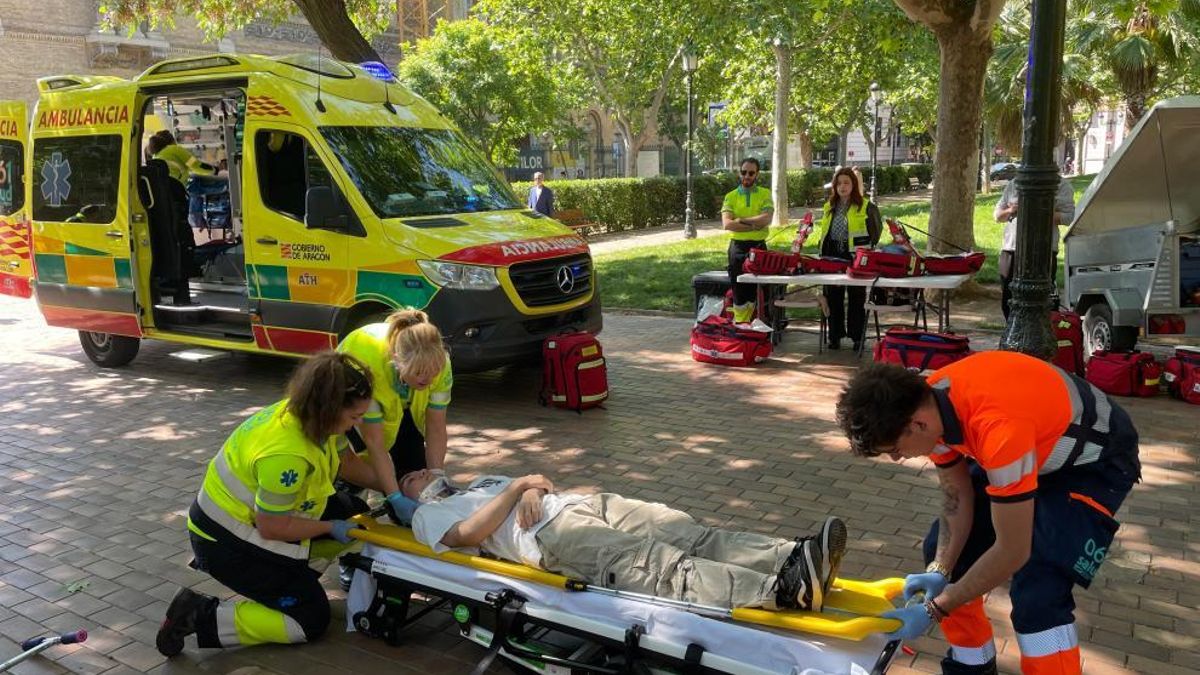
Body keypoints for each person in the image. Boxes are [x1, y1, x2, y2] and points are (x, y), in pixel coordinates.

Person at [835, 353, 1140, 675]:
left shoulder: (998, 430)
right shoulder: (928, 405)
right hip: (1033, 441)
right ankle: (972, 667)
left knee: (1039, 587)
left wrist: (935, 609)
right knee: (945, 551)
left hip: (1094, 463)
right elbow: (957, 495)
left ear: (917, 425)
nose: (897, 459)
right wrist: (941, 569)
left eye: (895, 450)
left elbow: (1012, 551)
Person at [155, 352, 384, 656]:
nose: (357, 424)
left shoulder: (311, 416)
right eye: (354, 417)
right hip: (225, 543)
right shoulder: (286, 455)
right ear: (330, 409)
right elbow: (273, 526)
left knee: (352, 511)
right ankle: (198, 614)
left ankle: (291, 579)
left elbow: (349, 464)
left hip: (246, 525)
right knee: (311, 618)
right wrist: (331, 526)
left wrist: (396, 489)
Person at [400, 469, 848, 613]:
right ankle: (780, 593)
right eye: (410, 476)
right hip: (553, 537)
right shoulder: (428, 514)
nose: (421, 472)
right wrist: (519, 488)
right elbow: (466, 535)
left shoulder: (479, 482)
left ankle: (792, 556)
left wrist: (534, 486)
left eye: (421, 467)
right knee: (661, 566)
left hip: (585, 504)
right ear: (410, 493)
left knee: (687, 532)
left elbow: (540, 482)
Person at [336, 309, 453, 524]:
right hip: (352, 396)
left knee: (414, 477)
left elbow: (436, 426)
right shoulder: (369, 370)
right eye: (420, 373)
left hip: (402, 401)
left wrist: (436, 476)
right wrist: (394, 495)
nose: (428, 379)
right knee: (380, 477)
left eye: (433, 373)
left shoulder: (439, 363)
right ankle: (347, 485)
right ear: (397, 361)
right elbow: (374, 443)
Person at [810, 167, 881, 351]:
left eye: (846, 183)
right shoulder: (829, 207)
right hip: (832, 256)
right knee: (833, 297)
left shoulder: (866, 206)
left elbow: (876, 230)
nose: (842, 187)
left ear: (853, 185)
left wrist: (865, 249)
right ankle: (835, 336)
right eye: (839, 183)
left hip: (856, 257)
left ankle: (857, 337)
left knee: (857, 298)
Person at [993, 174, 1075, 320]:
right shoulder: (1015, 183)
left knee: (1041, 296)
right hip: (1011, 248)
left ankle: (1040, 333)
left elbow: (1068, 217)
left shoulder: (1062, 186)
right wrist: (1011, 211)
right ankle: (1011, 331)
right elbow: (997, 215)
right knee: (1008, 295)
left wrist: (1036, 209)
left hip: (1043, 250)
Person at [722, 158, 775, 324]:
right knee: (739, 291)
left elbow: (766, 219)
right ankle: (741, 327)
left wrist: (740, 220)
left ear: (757, 174)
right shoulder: (730, 197)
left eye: (751, 173)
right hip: (737, 248)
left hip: (758, 248)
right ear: (740, 172)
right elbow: (727, 224)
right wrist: (753, 225)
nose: (747, 176)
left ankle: (762, 328)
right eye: (744, 172)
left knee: (761, 290)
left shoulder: (765, 194)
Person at [146, 130, 216, 187]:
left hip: (172, 190)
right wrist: (215, 170)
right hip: (184, 184)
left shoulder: (155, 157)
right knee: (219, 184)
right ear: (171, 141)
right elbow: (195, 165)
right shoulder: (173, 149)